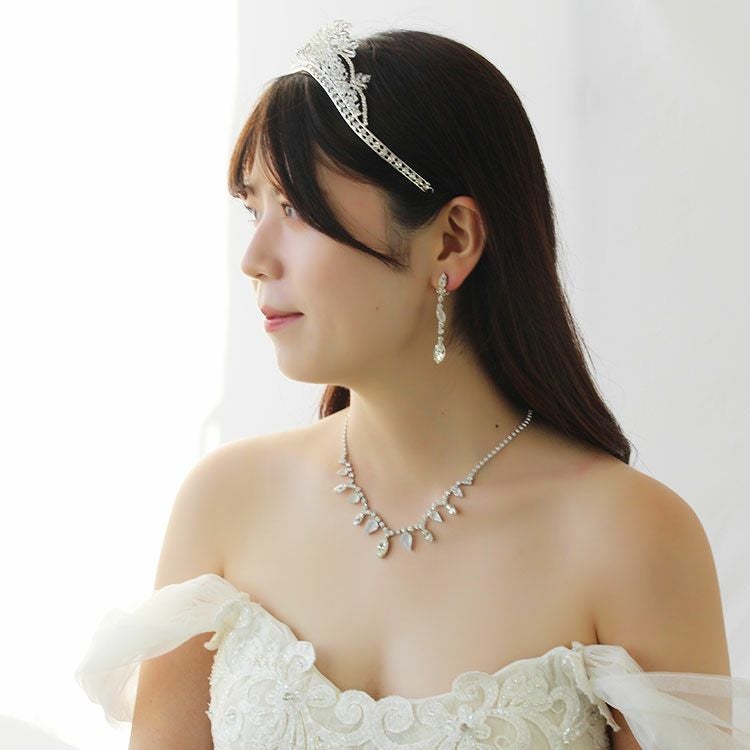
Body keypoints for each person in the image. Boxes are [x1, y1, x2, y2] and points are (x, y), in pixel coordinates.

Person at [75, 19, 750, 749]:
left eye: (295, 209)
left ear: (452, 239)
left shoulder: (630, 536)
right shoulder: (224, 502)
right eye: (253, 209)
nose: (255, 258)